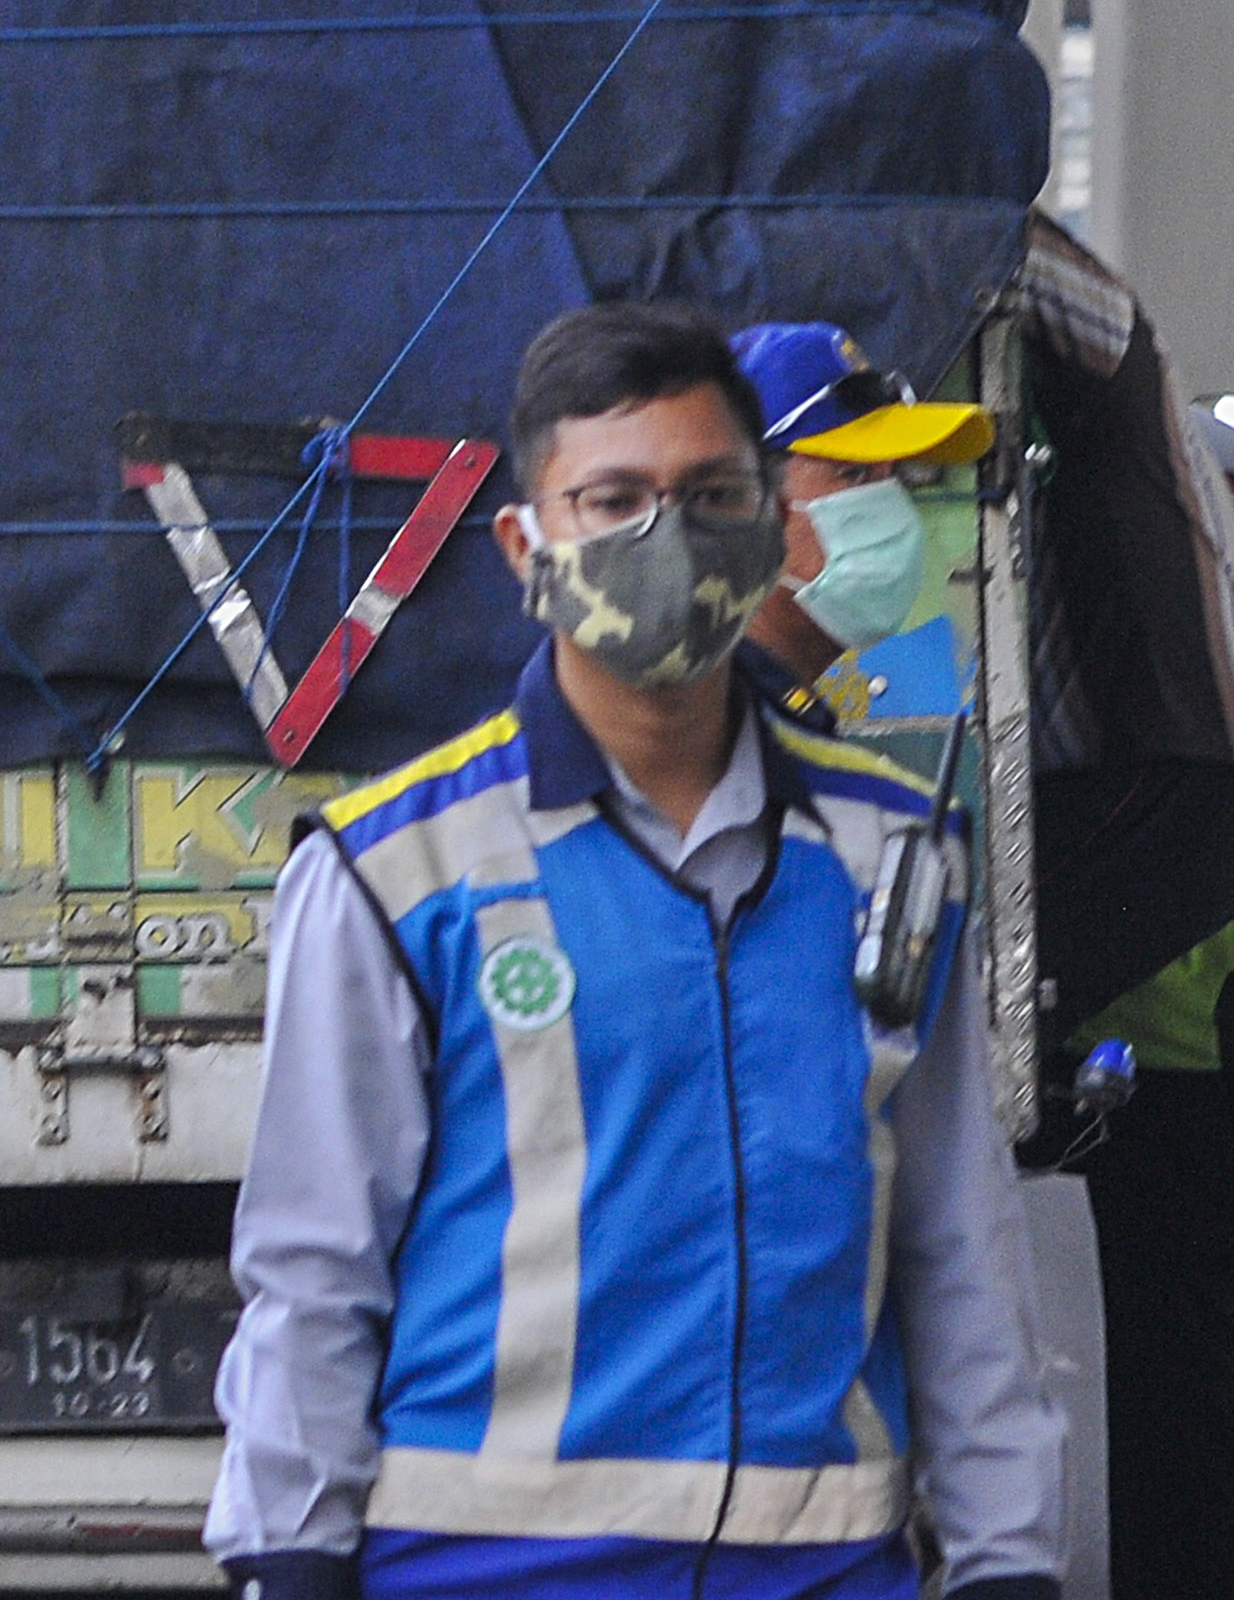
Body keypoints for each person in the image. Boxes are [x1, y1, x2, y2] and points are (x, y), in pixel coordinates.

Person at [207, 302, 1063, 1600]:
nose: (666, 535)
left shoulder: (895, 853)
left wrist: (1012, 1562)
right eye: (613, 498)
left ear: (774, 522)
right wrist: (289, 1559)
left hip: (820, 1575)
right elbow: (316, 1275)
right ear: (525, 542)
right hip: (481, 1576)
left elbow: (961, 1253)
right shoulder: (395, 874)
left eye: (710, 492)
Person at [1061, 400, 1234, 1600]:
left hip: (1220, 1078)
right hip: (1189, 1078)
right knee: (1166, 1402)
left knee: (1185, 1404)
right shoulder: (1191, 656)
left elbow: (1153, 848)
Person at [727, 319, 996, 701]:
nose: (889, 506)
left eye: (895, 474)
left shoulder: (773, 721)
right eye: (853, 473)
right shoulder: (692, 732)